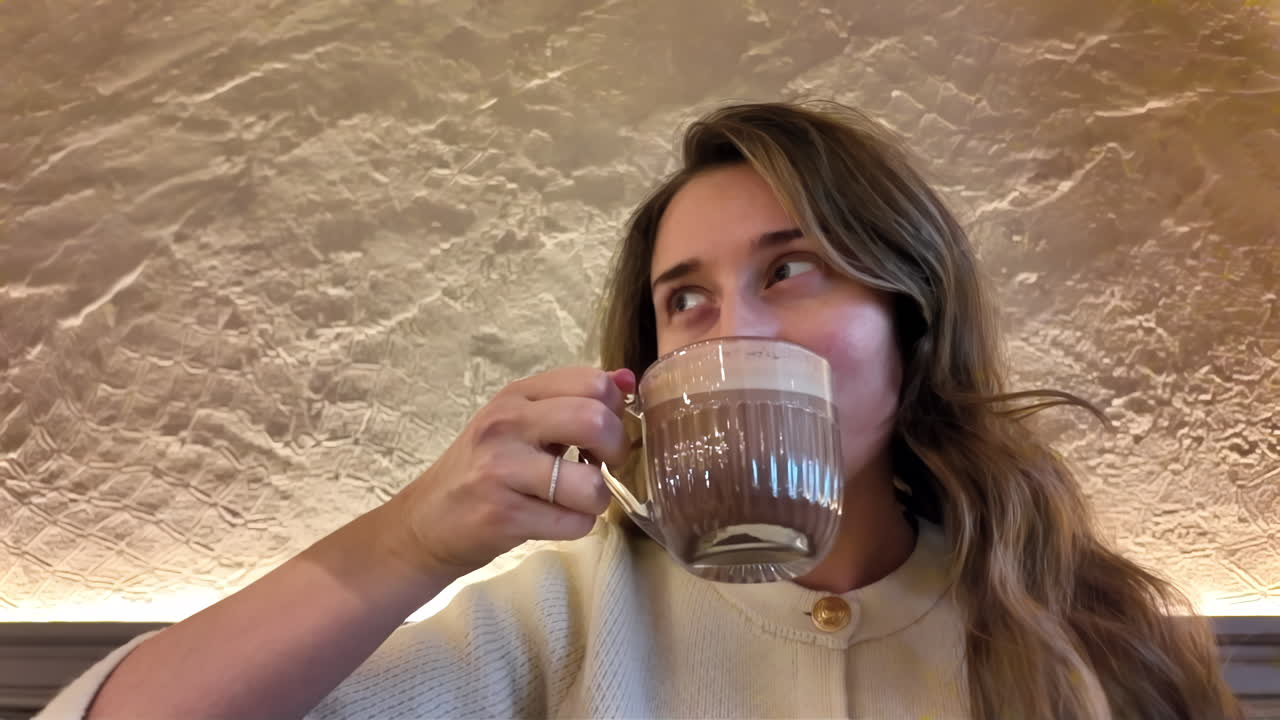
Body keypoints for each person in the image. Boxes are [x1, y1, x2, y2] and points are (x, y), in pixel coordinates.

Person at [40, 101, 1241, 720]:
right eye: (686, 301)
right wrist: (411, 540)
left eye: (788, 269)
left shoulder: (1088, 632)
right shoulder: (564, 616)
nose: (734, 331)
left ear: (908, 321)